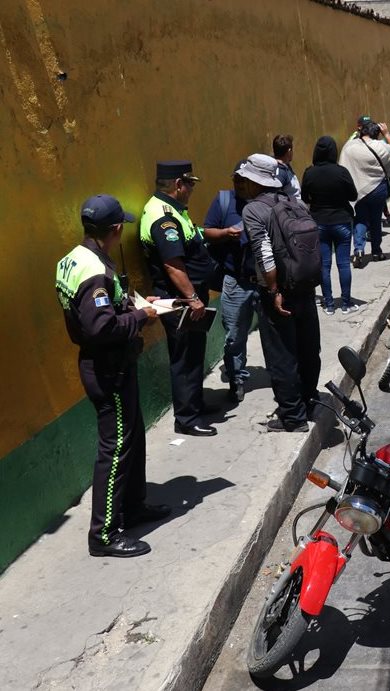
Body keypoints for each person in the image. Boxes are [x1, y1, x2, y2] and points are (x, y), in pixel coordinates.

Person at [56, 194, 165, 557]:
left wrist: (134, 304)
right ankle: (103, 535)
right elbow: (101, 327)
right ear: (116, 229)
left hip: (107, 364)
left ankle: (133, 507)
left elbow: (94, 311)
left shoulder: (74, 259)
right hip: (108, 369)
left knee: (131, 437)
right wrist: (141, 317)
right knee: (115, 448)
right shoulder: (95, 272)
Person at [238, 154, 317, 432]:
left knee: (281, 355)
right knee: (308, 348)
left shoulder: (253, 210)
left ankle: (293, 418)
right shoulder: (295, 202)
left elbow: (264, 253)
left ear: (253, 182)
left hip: (279, 291)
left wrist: (273, 291)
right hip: (305, 286)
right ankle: (309, 401)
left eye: (245, 179)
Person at [138, 160, 217, 437]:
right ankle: (186, 418)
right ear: (178, 184)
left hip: (189, 297)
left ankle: (195, 404)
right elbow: (172, 264)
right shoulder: (163, 218)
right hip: (179, 300)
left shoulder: (173, 210)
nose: (192, 189)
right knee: (184, 355)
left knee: (194, 351)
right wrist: (192, 297)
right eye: (190, 184)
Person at [203, 161, 258, 402]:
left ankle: (281, 377)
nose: (239, 184)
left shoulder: (264, 201)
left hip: (265, 280)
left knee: (274, 333)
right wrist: (226, 233)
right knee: (234, 335)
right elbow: (207, 231)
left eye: (244, 180)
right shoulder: (224, 201)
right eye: (236, 179)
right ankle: (237, 379)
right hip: (235, 280)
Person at [302, 135, 358, 315]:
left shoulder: (309, 173)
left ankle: (329, 304)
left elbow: (304, 198)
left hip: (319, 223)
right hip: (341, 221)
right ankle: (346, 303)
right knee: (343, 264)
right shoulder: (341, 172)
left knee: (324, 265)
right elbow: (353, 195)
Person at [339, 122, 390, 267]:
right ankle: (376, 251)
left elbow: (343, 165)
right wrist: (387, 135)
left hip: (359, 190)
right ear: (376, 133)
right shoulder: (381, 146)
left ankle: (359, 249)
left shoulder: (350, 147)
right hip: (378, 189)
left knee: (360, 219)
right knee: (376, 220)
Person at [272, 134, 302, 201]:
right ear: (289, 151)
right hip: (290, 206)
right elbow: (275, 195)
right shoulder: (280, 172)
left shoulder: (284, 165)